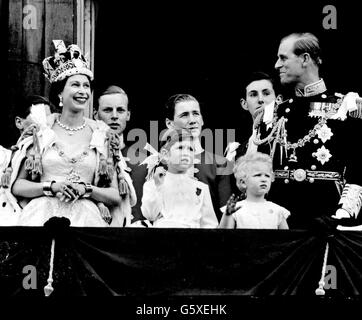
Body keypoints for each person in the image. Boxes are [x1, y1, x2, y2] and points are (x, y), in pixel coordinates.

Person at [253, 32, 362, 229]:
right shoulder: (272, 112)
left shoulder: (344, 106)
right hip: (279, 224)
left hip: (327, 221)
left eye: (283, 58)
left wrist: (344, 213)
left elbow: (359, 168)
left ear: (305, 59)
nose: (277, 65)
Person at [11, 40, 125, 227]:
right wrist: (51, 187)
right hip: (40, 218)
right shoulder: (41, 133)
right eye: (75, 85)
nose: (82, 91)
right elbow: (18, 186)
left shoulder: (101, 135)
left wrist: (86, 189)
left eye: (86, 86)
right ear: (60, 94)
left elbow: (115, 195)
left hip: (86, 220)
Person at [164, 94, 233, 221]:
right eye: (184, 115)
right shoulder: (162, 163)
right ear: (170, 123)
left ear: (202, 119)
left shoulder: (220, 163)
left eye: (196, 113)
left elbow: (225, 214)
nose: (192, 120)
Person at [141, 128, 218, 228]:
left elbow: (210, 224)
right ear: (166, 154)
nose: (186, 153)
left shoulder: (201, 188)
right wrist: (158, 187)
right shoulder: (153, 185)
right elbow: (150, 215)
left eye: (190, 149)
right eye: (180, 147)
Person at [94, 85, 144, 226]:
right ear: (95, 114)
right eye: (108, 110)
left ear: (128, 115)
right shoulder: (90, 155)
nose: (114, 116)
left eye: (120, 110)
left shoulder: (144, 160)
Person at [0, 95, 52, 225]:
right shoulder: (3, 155)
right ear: (19, 122)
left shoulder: (51, 157)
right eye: (39, 117)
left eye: (48, 119)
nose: (44, 124)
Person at [219, 152, 289, 229]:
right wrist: (227, 215)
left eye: (267, 176)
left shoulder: (277, 210)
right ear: (243, 182)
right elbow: (224, 236)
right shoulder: (236, 209)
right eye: (258, 175)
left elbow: (287, 239)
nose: (264, 179)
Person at [225, 71, 282, 161]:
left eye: (266, 93)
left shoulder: (288, 143)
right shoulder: (236, 153)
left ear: (279, 100)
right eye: (253, 95)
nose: (260, 99)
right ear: (244, 104)